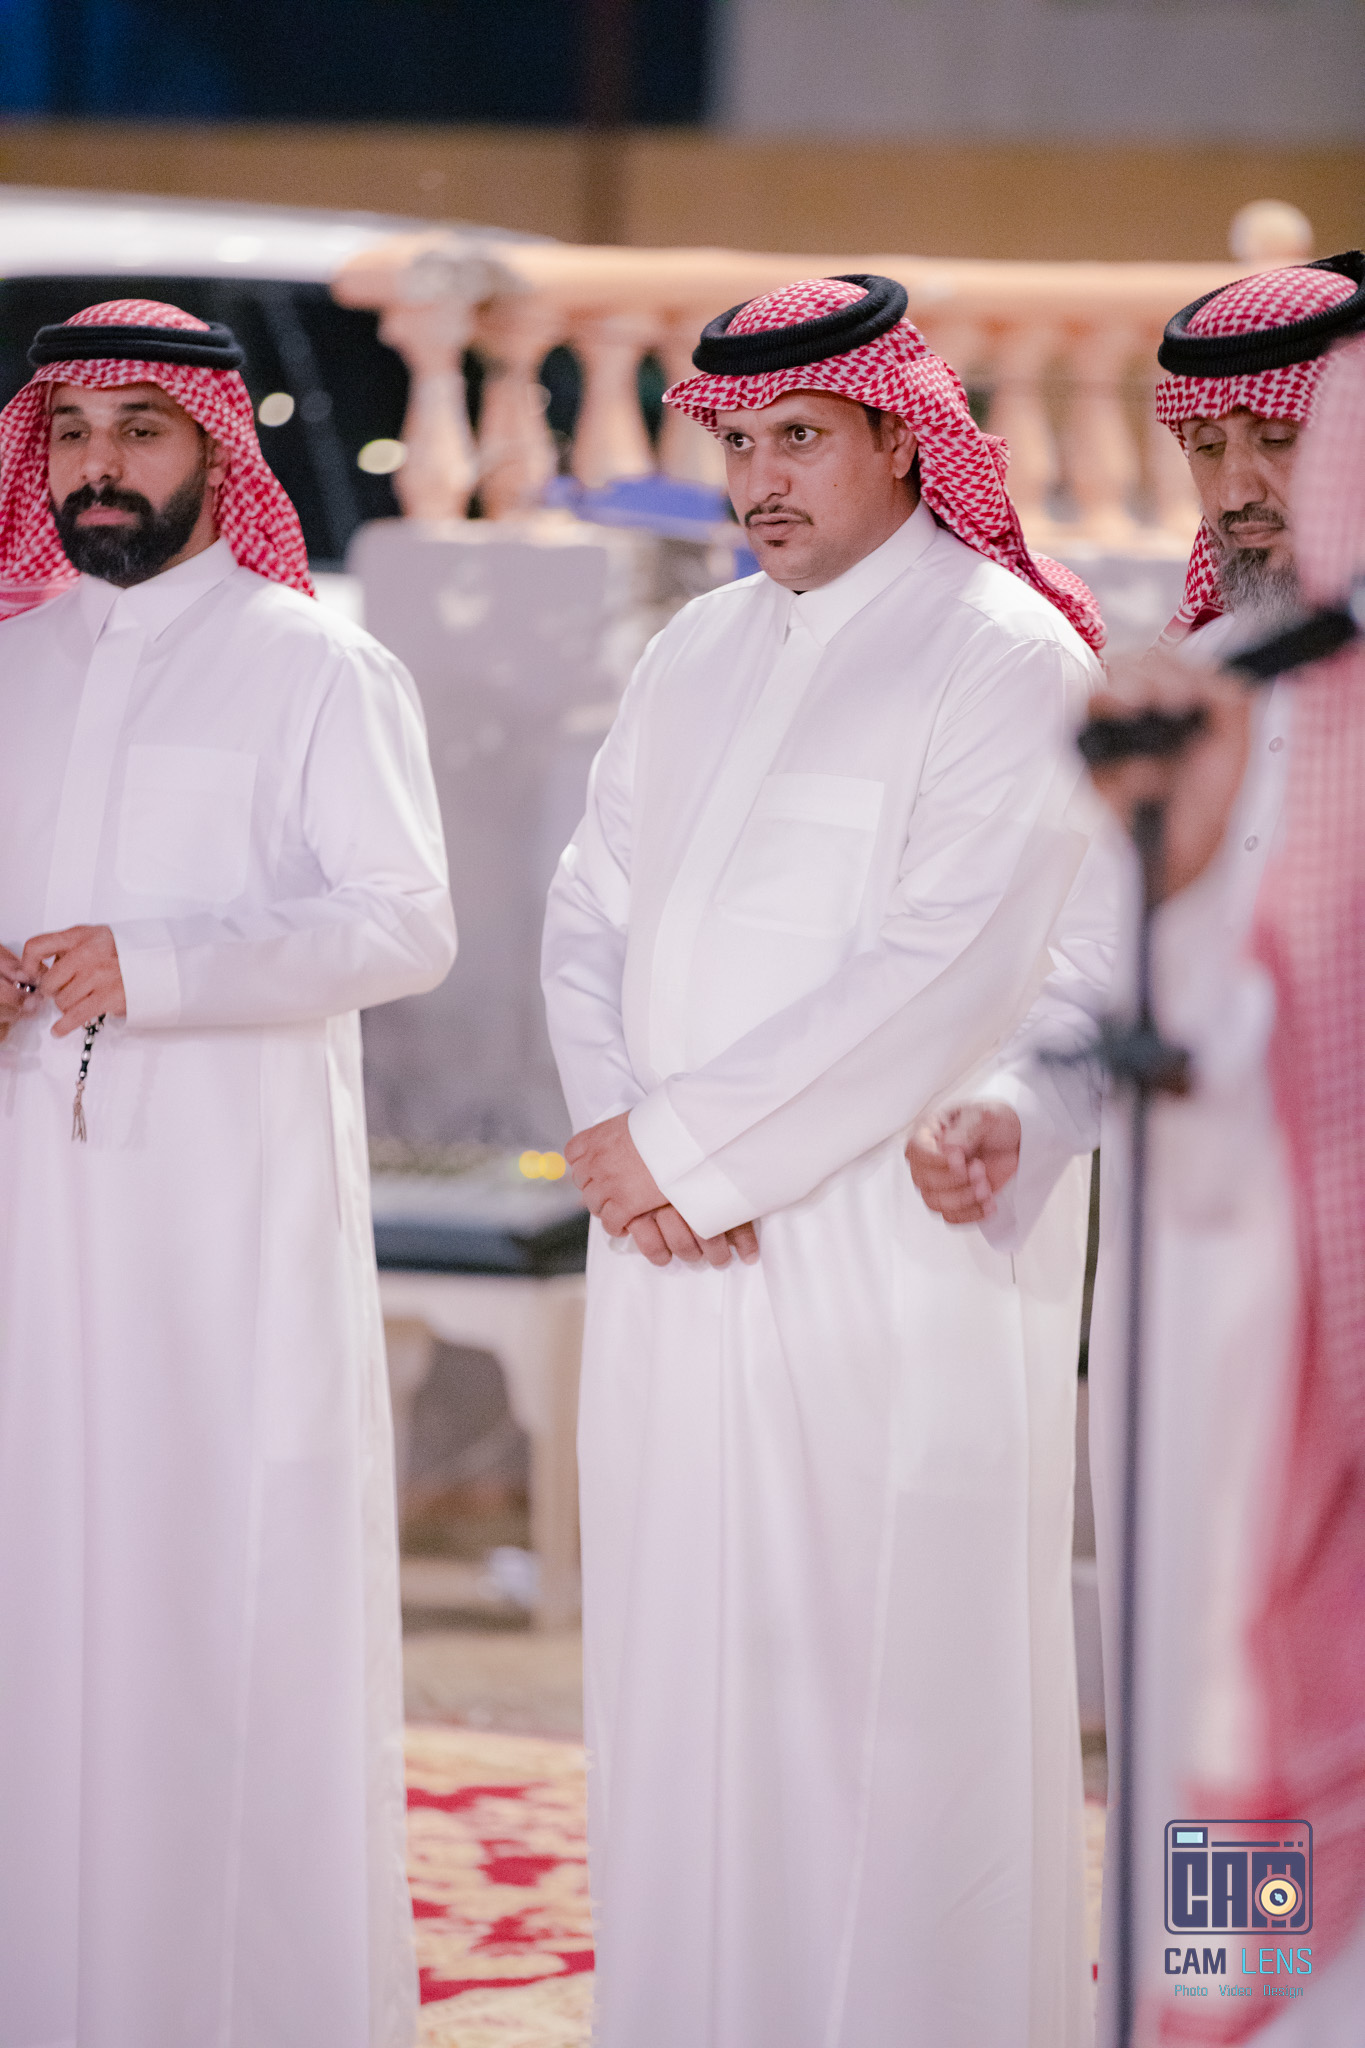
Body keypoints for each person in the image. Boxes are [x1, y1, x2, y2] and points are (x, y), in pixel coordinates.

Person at [541, 273, 1109, 2048]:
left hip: (877, 1258)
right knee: (677, 1689)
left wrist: (681, 1153)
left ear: (901, 440)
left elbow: (949, 969)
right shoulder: (696, 649)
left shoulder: (1005, 656)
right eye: (735, 443)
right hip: (671, 1259)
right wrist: (625, 1143)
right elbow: (586, 909)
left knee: (884, 1707)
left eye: (798, 437)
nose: (758, 480)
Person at [905, 256, 1365, 2047]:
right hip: (1201, 1314)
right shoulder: (1195, 692)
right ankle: (1231, 2004)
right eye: (1209, 446)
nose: (1239, 488)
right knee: (1205, 1691)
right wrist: (1016, 1112)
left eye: (1283, 442)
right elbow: (1103, 981)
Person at [0, 300, 456, 2048]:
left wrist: (164, 961)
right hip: (33, 1219)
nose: (99, 467)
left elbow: (404, 924)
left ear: (215, 445)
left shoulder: (313, 664)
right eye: (71, 433)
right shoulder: (14, 658)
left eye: (139, 430)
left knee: (210, 1596)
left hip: (221, 1229)